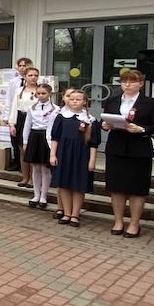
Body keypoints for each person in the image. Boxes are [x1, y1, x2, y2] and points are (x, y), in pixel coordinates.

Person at [100, 69, 154, 237]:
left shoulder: (151, 103)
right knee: (116, 187)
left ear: (141, 84)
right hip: (116, 147)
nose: (127, 85)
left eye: (132, 81)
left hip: (139, 149)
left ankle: (134, 224)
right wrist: (105, 125)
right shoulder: (112, 101)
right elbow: (104, 120)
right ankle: (118, 221)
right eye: (124, 81)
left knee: (137, 188)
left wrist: (141, 129)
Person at [49, 88, 100, 228]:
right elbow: (55, 137)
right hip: (64, 154)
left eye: (78, 99)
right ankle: (66, 212)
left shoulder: (90, 120)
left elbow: (94, 143)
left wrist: (92, 160)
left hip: (81, 156)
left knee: (78, 185)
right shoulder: (61, 117)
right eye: (72, 99)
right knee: (64, 184)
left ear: (84, 102)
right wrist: (52, 154)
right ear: (67, 100)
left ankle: (75, 214)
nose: (74, 102)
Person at [23, 84, 57, 210]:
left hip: (46, 137)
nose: (41, 96)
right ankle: (36, 195)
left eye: (44, 93)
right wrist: (25, 142)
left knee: (45, 168)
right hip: (35, 136)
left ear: (49, 94)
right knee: (35, 167)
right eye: (39, 93)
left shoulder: (55, 109)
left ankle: (44, 196)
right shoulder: (32, 108)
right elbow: (27, 125)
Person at [9, 66, 39, 187]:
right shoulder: (19, 90)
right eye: (30, 75)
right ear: (25, 77)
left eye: (35, 75)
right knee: (22, 150)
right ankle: (25, 177)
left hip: (34, 121)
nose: (33, 78)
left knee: (32, 150)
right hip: (21, 119)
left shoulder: (40, 90)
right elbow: (14, 107)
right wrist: (12, 124)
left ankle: (33, 178)